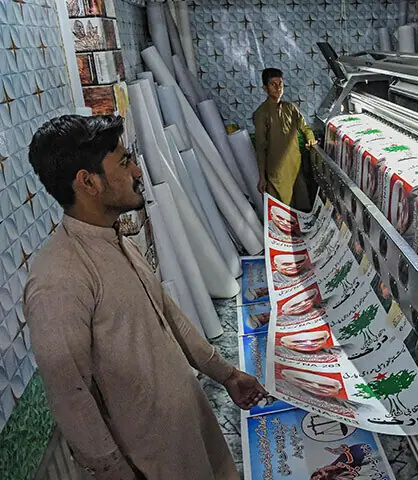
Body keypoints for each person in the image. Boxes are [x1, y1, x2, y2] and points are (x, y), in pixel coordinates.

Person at [24, 115, 268, 480]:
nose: (137, 169)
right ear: (87, 182)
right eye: (124, 162)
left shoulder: (115, 241)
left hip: (189, 432)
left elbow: (168, 316)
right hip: (153, 461)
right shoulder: (59, 279)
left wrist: (227, 374)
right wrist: (116, 472)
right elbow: (71, 398)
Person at [254, 67, 316, 211]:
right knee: (283, 212)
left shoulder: (291, 108)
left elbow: (304, 127)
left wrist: (310, 138)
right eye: (273, 84)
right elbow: (261, 148)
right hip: (276, 174)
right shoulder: (261, 114)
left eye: (280, 83)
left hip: (295, 167)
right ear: (265, 88)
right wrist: (262, 177)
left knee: (302, 208)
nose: (277, 87)